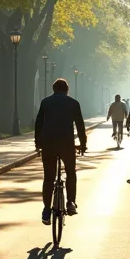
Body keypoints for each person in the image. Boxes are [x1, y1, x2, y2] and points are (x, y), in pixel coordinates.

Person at [34, 78, 88, 225]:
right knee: (70, 172)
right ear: (67, 90)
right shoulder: (73, 103)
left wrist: (38, 143)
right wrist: (83, 145)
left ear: (54, 89)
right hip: (67, 143)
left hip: (49, 143)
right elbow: (80, 126)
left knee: (49, 177)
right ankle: (70, 202)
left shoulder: (45, 102)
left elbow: (38, 123)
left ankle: (46, 209)